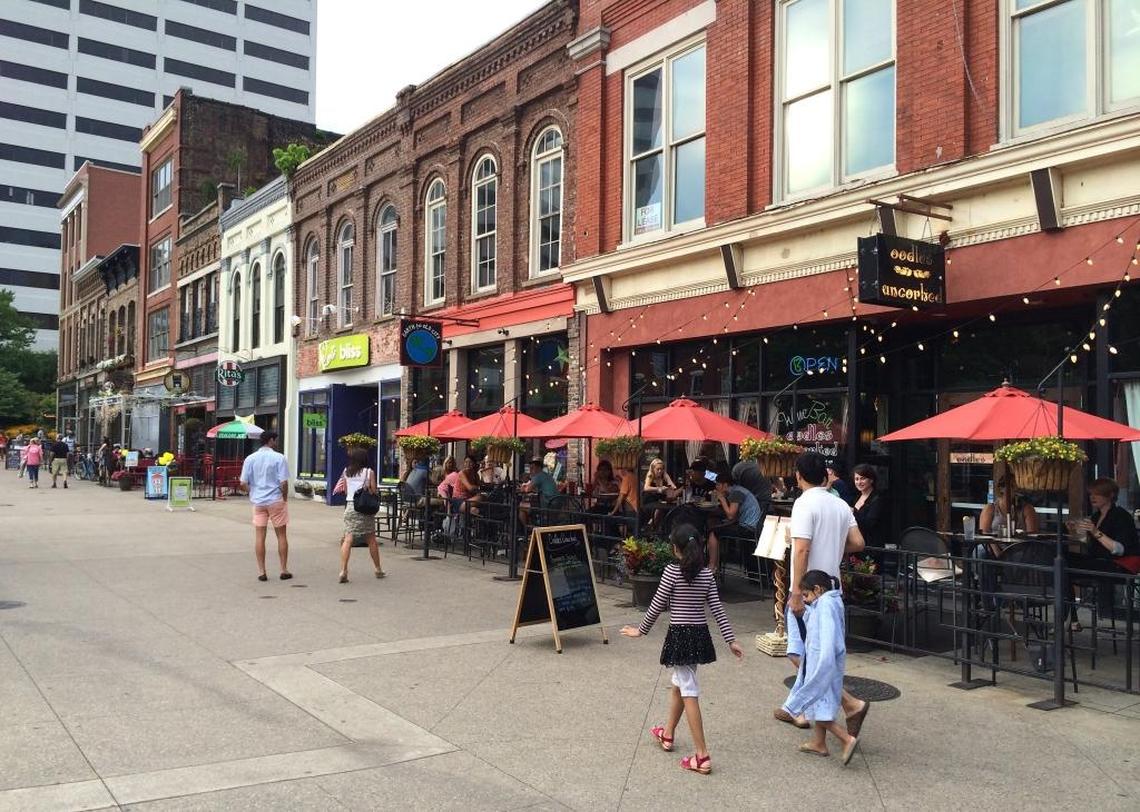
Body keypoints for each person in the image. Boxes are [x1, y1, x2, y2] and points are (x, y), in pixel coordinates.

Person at [621, 525, 743, 775]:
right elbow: (717, 609)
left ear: (675, 549)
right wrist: (730, 640)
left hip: (680, 635)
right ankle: (667, 734)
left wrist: (641, 630)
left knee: (688, 690)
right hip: (699, 636)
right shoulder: (707, 575)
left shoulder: (671, 572)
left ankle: (702, 755)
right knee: (680, 683)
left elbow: (657, 604)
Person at [774, 451, 870, 737]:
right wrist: (834, 548)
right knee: (812, 652)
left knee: (803, 653)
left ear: (798, 475)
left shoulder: (804, 503)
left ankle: (847, 703)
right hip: (832, 588)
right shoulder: (839, 504)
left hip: (810, 591)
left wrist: (795, 592)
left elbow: (802, 550)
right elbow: (858, 542)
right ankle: (799, 708)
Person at [782, 570, 859, 764]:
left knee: (818, 708)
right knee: (819, 705)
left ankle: (846, 739)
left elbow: (827, 639)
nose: (805, 600)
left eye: (806, 595)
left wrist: (821, 667)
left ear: (817, 589)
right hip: (822, 663)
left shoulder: (825, 605)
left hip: (823, 665)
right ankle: (819, 743)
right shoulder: (829, 602)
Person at [1067, 478, 1140, 631]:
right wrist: (1076, 530)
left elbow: (1119, 549)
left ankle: (1070, 619)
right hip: (1101, 561)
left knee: (1065, 566)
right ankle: (1071, 618)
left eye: (1098, 494)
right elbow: (1089, 544)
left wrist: (1095, 532)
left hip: (1120, 565)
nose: (1092, 497)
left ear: (1110, 495)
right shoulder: (1096, 517)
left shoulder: (1121, 516)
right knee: (1062, 560)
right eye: (1091, 494)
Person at [238, 431, 292, 582]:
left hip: (258, 502)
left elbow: (242, 483)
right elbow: (284, 482)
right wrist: (284, 498)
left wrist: (252, 492)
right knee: (281, 535)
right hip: (275, 499)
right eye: (275, 440)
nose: (276, 443)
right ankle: (283, 569)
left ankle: (262, 571)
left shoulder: (250, 458)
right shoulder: (279, 457)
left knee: (260, 537)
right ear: (271, 440)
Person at [332, 447, 385, 583]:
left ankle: (343, 570)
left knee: (348, 539)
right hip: (364, 508)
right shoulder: (369, 472)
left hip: (350, 506)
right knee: (371, 539)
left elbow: (346, 491)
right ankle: (378, 569)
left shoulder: (346, 472)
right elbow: (373, 491)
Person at [706, 472, 762, 572]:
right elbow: (735, 516)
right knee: (718, 528)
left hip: (748, 528)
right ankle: (716, 566)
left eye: (718, 484)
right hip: (751, 526)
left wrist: (722, 499)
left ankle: (712, 567)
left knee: (713, 532)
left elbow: (731, 515)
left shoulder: (736, 493)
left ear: (725, 485)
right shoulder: (738, 490)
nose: (716, 487)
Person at [851, 464, 886, 551]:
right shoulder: (856, 498)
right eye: (856, 479)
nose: (859, 482)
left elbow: (869, 524)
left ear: (871, 480)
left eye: (862, 478)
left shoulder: (878, 499)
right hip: (857, 545)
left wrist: (853, 512)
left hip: (872, 547)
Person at [519, 458, 558, 526]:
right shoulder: (546, 475)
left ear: (538, 468)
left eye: (532, 468)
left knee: (522, 508)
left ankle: (528, 529)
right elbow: (537, 488)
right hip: (555, 503)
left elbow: (527, 489)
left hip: (547, 504)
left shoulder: (538, 476)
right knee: (529, 506)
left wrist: (522, 488)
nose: (530, 471)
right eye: (530, 469)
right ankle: (532, 526)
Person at [609, 461, 639, 536]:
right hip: (636, 508)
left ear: (624, 469)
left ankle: (615, 539)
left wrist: (613, 512)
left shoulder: (627, 478)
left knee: (630, 531)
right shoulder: (635, 477)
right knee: (632, 531)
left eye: (619, 469)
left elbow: (621, 497)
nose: (618, 471)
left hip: (631, 509)